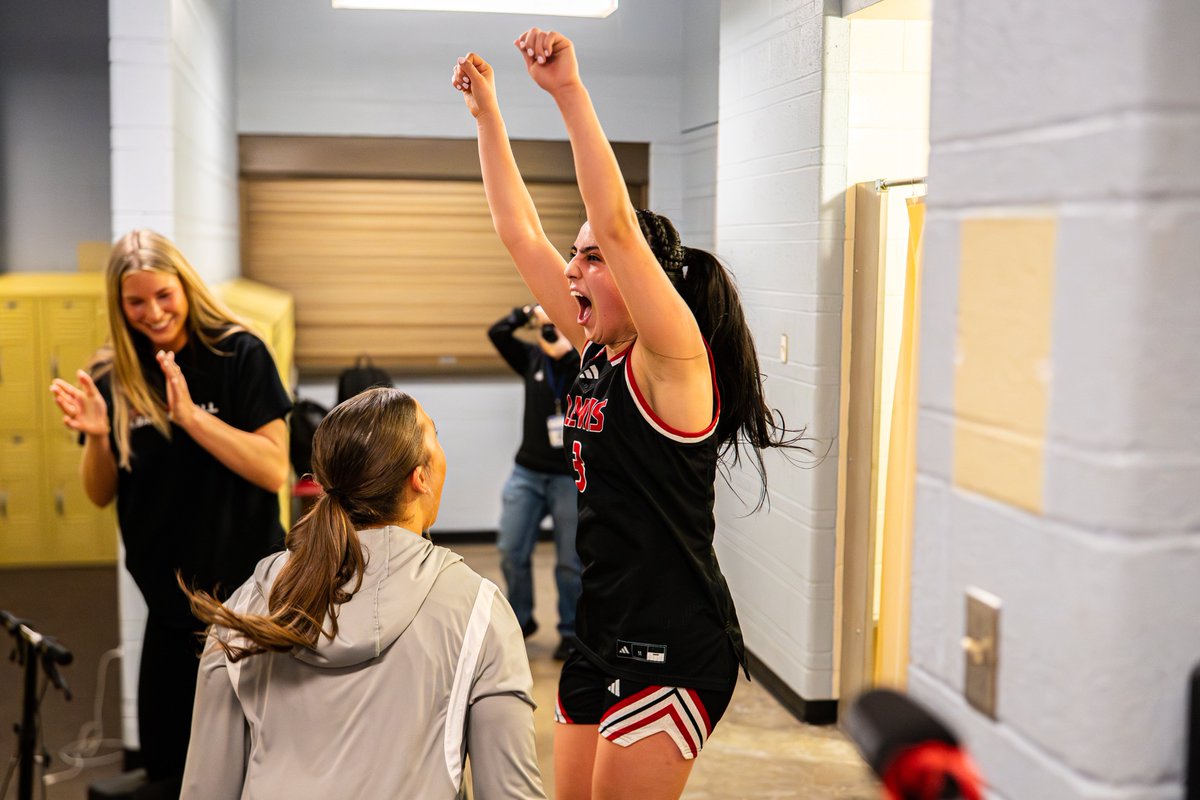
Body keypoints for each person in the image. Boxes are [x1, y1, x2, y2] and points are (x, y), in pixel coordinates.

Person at [453, 29, 806, 800]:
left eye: (591, 258)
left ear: (640, 279)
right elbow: (518, 235)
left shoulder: (671, 358)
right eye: (574, 257)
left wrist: (568, 93)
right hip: (601, 634)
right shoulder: (592, 347)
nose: (573, 268)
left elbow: (616, 222)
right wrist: (488, 118)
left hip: (675, 644)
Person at [177, 388, 546, 800]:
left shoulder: (247, 607)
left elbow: (204, 789)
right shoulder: (478, 611)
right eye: (435, 434)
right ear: (420, 477)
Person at [49, 229, 292, 796]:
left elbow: (273, 468)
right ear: (119, 304)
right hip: (168, 604)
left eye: (163, 295)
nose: (153, 312)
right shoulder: (115, 375)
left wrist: (191, 418)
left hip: (245, 604)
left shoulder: (239, 353)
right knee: (171, 765)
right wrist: (97, 439)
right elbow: (101, 493)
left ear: (184, 285)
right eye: (136, 302)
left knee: (253, 760)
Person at [488, 302, 582, 659]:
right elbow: (497, 333)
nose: (550, 334)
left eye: (558, 327)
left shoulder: (585, 364)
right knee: (511, 549)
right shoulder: (530, 359)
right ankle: (521, 620)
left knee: (570, 562)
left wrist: (567, 349)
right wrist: (528, 312)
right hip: (527, 472)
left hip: (568, 477)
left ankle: (571, 631)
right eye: (546, 328)